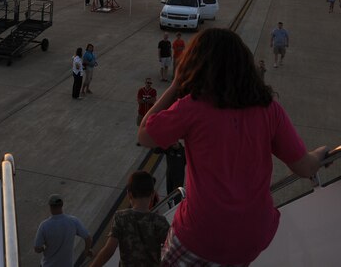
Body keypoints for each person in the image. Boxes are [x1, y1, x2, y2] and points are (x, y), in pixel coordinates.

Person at [138, 28, 328, 266]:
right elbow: (305, 167)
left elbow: (145, 134)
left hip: (202, 234)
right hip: (252, 236)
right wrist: (322, 153)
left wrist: (176, 83)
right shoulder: (269, 109)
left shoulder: (193, 107)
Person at [89, 171, 170, 267]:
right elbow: (172, 250)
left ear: (129, 194)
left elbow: (109, 250)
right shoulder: (160, 221)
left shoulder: (121, 217)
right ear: (152, 195)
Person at [34, 194, 93, 267]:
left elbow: (37, 248)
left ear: (50, 207)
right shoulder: (73, 221)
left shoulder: (44, 225)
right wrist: (87, 250)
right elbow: (88, 238)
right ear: (62, 205)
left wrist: (42, 249)